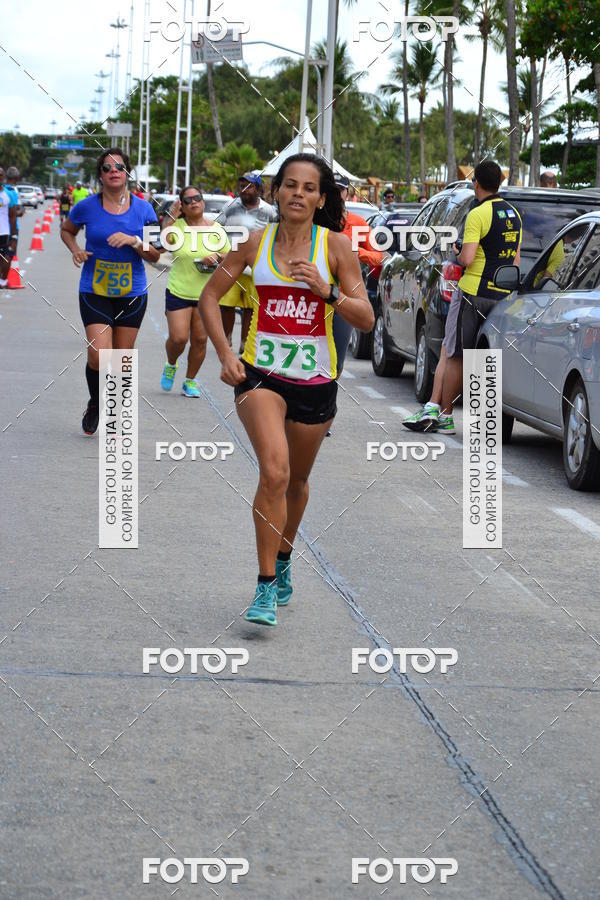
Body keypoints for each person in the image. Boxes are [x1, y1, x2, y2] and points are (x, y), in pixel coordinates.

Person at [198, 153, 374, 627]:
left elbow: (366, 318)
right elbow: (209, 297)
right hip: (260, 375)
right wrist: (225, 354)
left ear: (320, 198)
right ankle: (263, 585)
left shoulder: (336, 248)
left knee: (296, 481)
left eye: (308, 187)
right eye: (290, 185)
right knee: (274, 474)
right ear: (276, 192)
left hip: (315, 382)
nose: (298, 193)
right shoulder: (254, 244)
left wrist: (328, 291)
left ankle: (283, 556)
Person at [403, 160, 521, 434]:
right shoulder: (514, 213)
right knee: (476, 354)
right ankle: (456, 413)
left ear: (476, 183)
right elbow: (514, 259)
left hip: (472, 292)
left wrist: (457, 252)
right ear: (500, 182)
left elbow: (467, 258)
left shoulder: (478, 214)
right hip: (501, 293)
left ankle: (445, 415)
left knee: (456, 353)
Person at [61, 148, 159, 435]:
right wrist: (76, 250)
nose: (113, 171)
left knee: (121, 358)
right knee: (98, 356)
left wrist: (133, 241)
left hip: (132, 294)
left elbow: (155, 255)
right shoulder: (86, 207)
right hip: (95, 290)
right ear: (101, 175)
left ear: (127, 172)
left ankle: (114, 412)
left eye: (119, 166)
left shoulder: (144, 209)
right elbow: (67, 230)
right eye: (107, 167)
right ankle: (95, 402)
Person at [159, 185, 233, 397]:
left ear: (203, 202)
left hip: (206, 295)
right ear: (182, 205)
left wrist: (216, 257)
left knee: (200, 341)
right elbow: (163, 243)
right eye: (188, 200)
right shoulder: (178, 227)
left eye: (197, 198)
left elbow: (229, 256)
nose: (193, 202)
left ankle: (189, 381)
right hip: (179, 290)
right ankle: (171, 364)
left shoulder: (215, 228)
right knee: (179, 338)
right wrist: (171, 216)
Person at [215, 172, 276, 353]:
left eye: (249, 186)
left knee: (250, 307)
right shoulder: (230, 206)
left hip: (256, 267)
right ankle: (227, 338)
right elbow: (217, 228)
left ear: (258, 189)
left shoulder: (270, 211)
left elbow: (276, 236)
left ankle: (245, 341)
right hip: (230, 263)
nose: (244, 189)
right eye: (241, 186)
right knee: (226, 304)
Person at [335, 174, 383, 376]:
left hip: (344, 299)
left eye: (340, 190)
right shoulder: (314, 220)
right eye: (331, 189)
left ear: (347, 193)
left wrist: (355, 251)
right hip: (312, 299)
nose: (336, 194)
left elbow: (377, 257)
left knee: (336, 363)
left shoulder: (358, 223)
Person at [0, 167, 18, 288]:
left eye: (1, 175)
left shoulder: (8, 194)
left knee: (6, 256)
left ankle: (2, 282)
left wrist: (13, 236)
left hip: (4, 232)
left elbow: (13, 216)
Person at [4, 167, 22, 262]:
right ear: (17, 178)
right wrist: (14, 236)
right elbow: (14, 214)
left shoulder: (3, 191)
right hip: (11, 228)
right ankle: (3, 277)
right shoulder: (12, 192)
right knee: (9, 254)